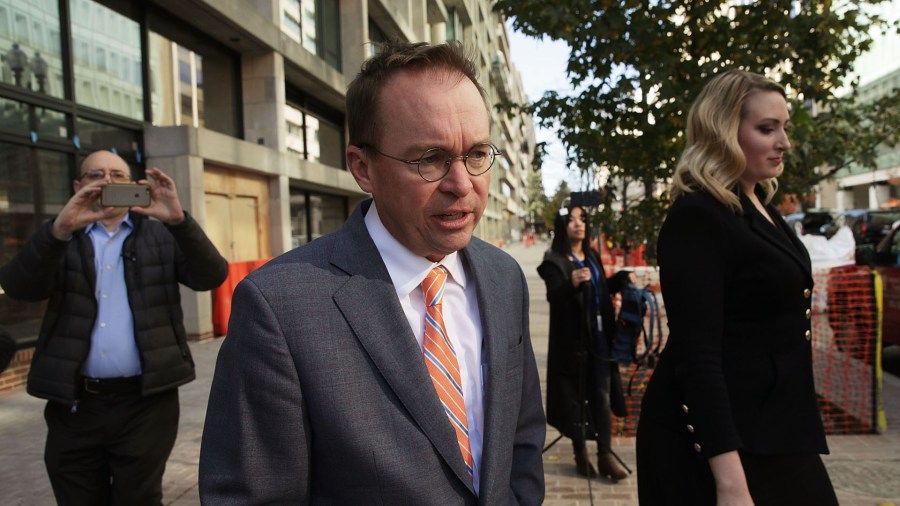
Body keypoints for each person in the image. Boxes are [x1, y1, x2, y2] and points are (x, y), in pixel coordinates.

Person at [198, 40, 546, 504]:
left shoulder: (504, 277)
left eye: (477, 153)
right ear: (363, 168)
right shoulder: (279, 307)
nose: (462, 184)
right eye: (430, 159)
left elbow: (520, 439)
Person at [635, 70, 838, 505]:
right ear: (724, 131)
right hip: (717, 445)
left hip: (777, 429)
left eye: (784, 127)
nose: (784, 142)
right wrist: (730, 482)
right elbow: (698, 356)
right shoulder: (698, 217)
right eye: (767, 129)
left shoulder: (759, 205)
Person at [0, 150, 228, 505]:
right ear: (78, 186)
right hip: (74, 405)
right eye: (96, 174)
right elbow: (19, 287)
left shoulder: (161, 234)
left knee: (138, 498)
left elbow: (212, 276)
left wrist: (179, 221)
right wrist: (58, 230)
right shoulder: (62, 237)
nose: (107, 181)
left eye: (117, 175)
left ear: (134, 186)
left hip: (146, 403)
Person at [537, 205, 631, 481]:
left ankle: (605, 455)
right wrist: (572, 283)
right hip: (573, 346)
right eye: (572, 220)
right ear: (562, 225)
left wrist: (620, 280)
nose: (579, 224)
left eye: (583, 219)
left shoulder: (591, 256)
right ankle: (581, 453)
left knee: (601, 396)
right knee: (577, 396)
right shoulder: (555, 260)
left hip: (600, 341)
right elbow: (555, 295)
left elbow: (602, 290)